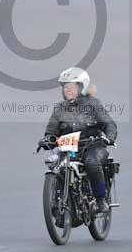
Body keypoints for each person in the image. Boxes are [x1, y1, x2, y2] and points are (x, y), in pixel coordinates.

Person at [42, 67, 117, 213]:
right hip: (69, 149)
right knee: (56, 166)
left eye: (70, 86)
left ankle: (101, 200)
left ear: (81, 87)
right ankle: (63, 204)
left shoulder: (93, 104)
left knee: (92, 162)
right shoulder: (60, 109)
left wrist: (110, 138)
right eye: (64, 87)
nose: (66, 90)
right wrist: (46, 140)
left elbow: (109, 124)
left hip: (92, 146)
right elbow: (51, 132)